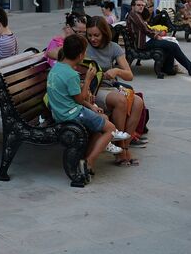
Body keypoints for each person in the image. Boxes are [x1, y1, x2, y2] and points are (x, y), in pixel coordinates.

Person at [46, 33, 129, 178]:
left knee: (101, 117)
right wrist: (89, 80)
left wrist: (91, 107)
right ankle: (88, 161)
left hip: (61, 111)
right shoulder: (71, 75)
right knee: (110, 128)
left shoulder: (56, 69)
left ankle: (93, 156)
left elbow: (72, 98)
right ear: (80, 56)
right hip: (72, 114)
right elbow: (80, 99)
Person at [85, 16, 146, 166]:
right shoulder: (83, 45)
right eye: (90, 35)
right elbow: (54, 52)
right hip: (93, 89)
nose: (92, 39)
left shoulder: (113, 47)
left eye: (96, 35)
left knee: (138, 102)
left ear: (105, 33)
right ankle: (119, 150)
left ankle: (124, 146)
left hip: (109, 87)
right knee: (120, 101)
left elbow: (129, 75)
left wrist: (117, 70)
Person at [125, 0, 191, 76]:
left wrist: (156, 32)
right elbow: (145, 29)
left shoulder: (136, 15)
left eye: (142, 5)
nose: (141, 7)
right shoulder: (134, 15)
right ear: (133, 6)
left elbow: (146, 28)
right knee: (173, 45)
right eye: (138, 5)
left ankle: (168, 69)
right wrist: (156, 36)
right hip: (142, 43)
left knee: (170, 45)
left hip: (144, 40)